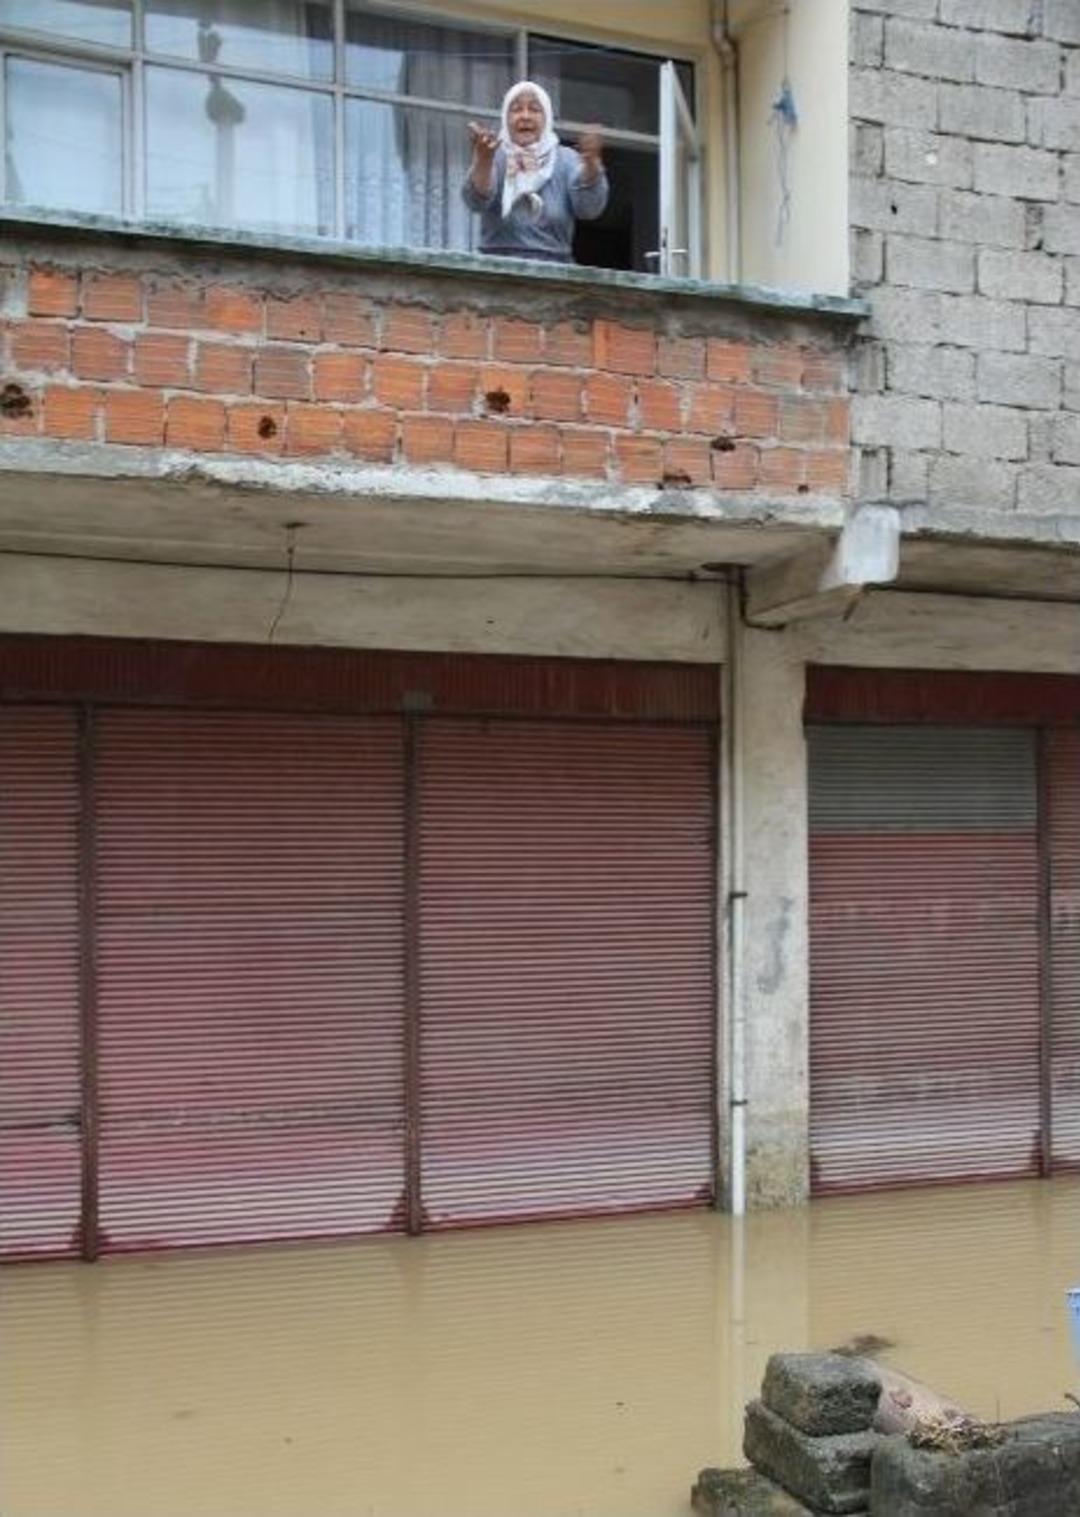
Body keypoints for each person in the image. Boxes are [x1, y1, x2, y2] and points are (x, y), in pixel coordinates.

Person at [463, 80, 608, 264]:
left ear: (547, 117)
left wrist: (591, 163)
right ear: (505, 119)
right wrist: (483, 161)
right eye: (516, 109)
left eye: (534, 109)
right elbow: (475, 202)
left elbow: (589, 209)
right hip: (496, 269)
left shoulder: (566, 160)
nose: (525, 116)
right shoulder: (495, 155)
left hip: (554, 272)